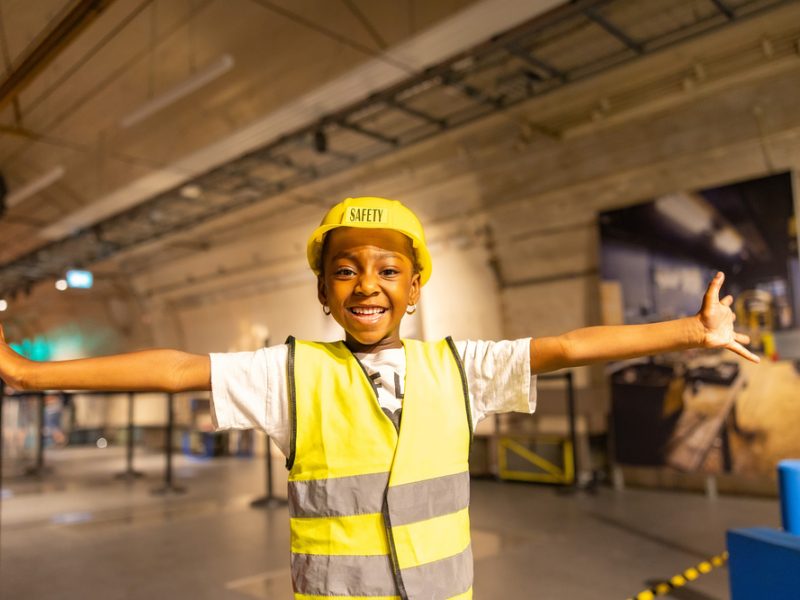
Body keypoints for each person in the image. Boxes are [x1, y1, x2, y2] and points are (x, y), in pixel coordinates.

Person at [0, 196, 758, 599]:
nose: (368, 284)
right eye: (346, 270)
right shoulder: (287, 373)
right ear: (325, 293)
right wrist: (28, 374)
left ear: (415, 288)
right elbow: (174, 369)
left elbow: (564, 347)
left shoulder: (461, 366)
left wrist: (688, 333)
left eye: (388, 270)